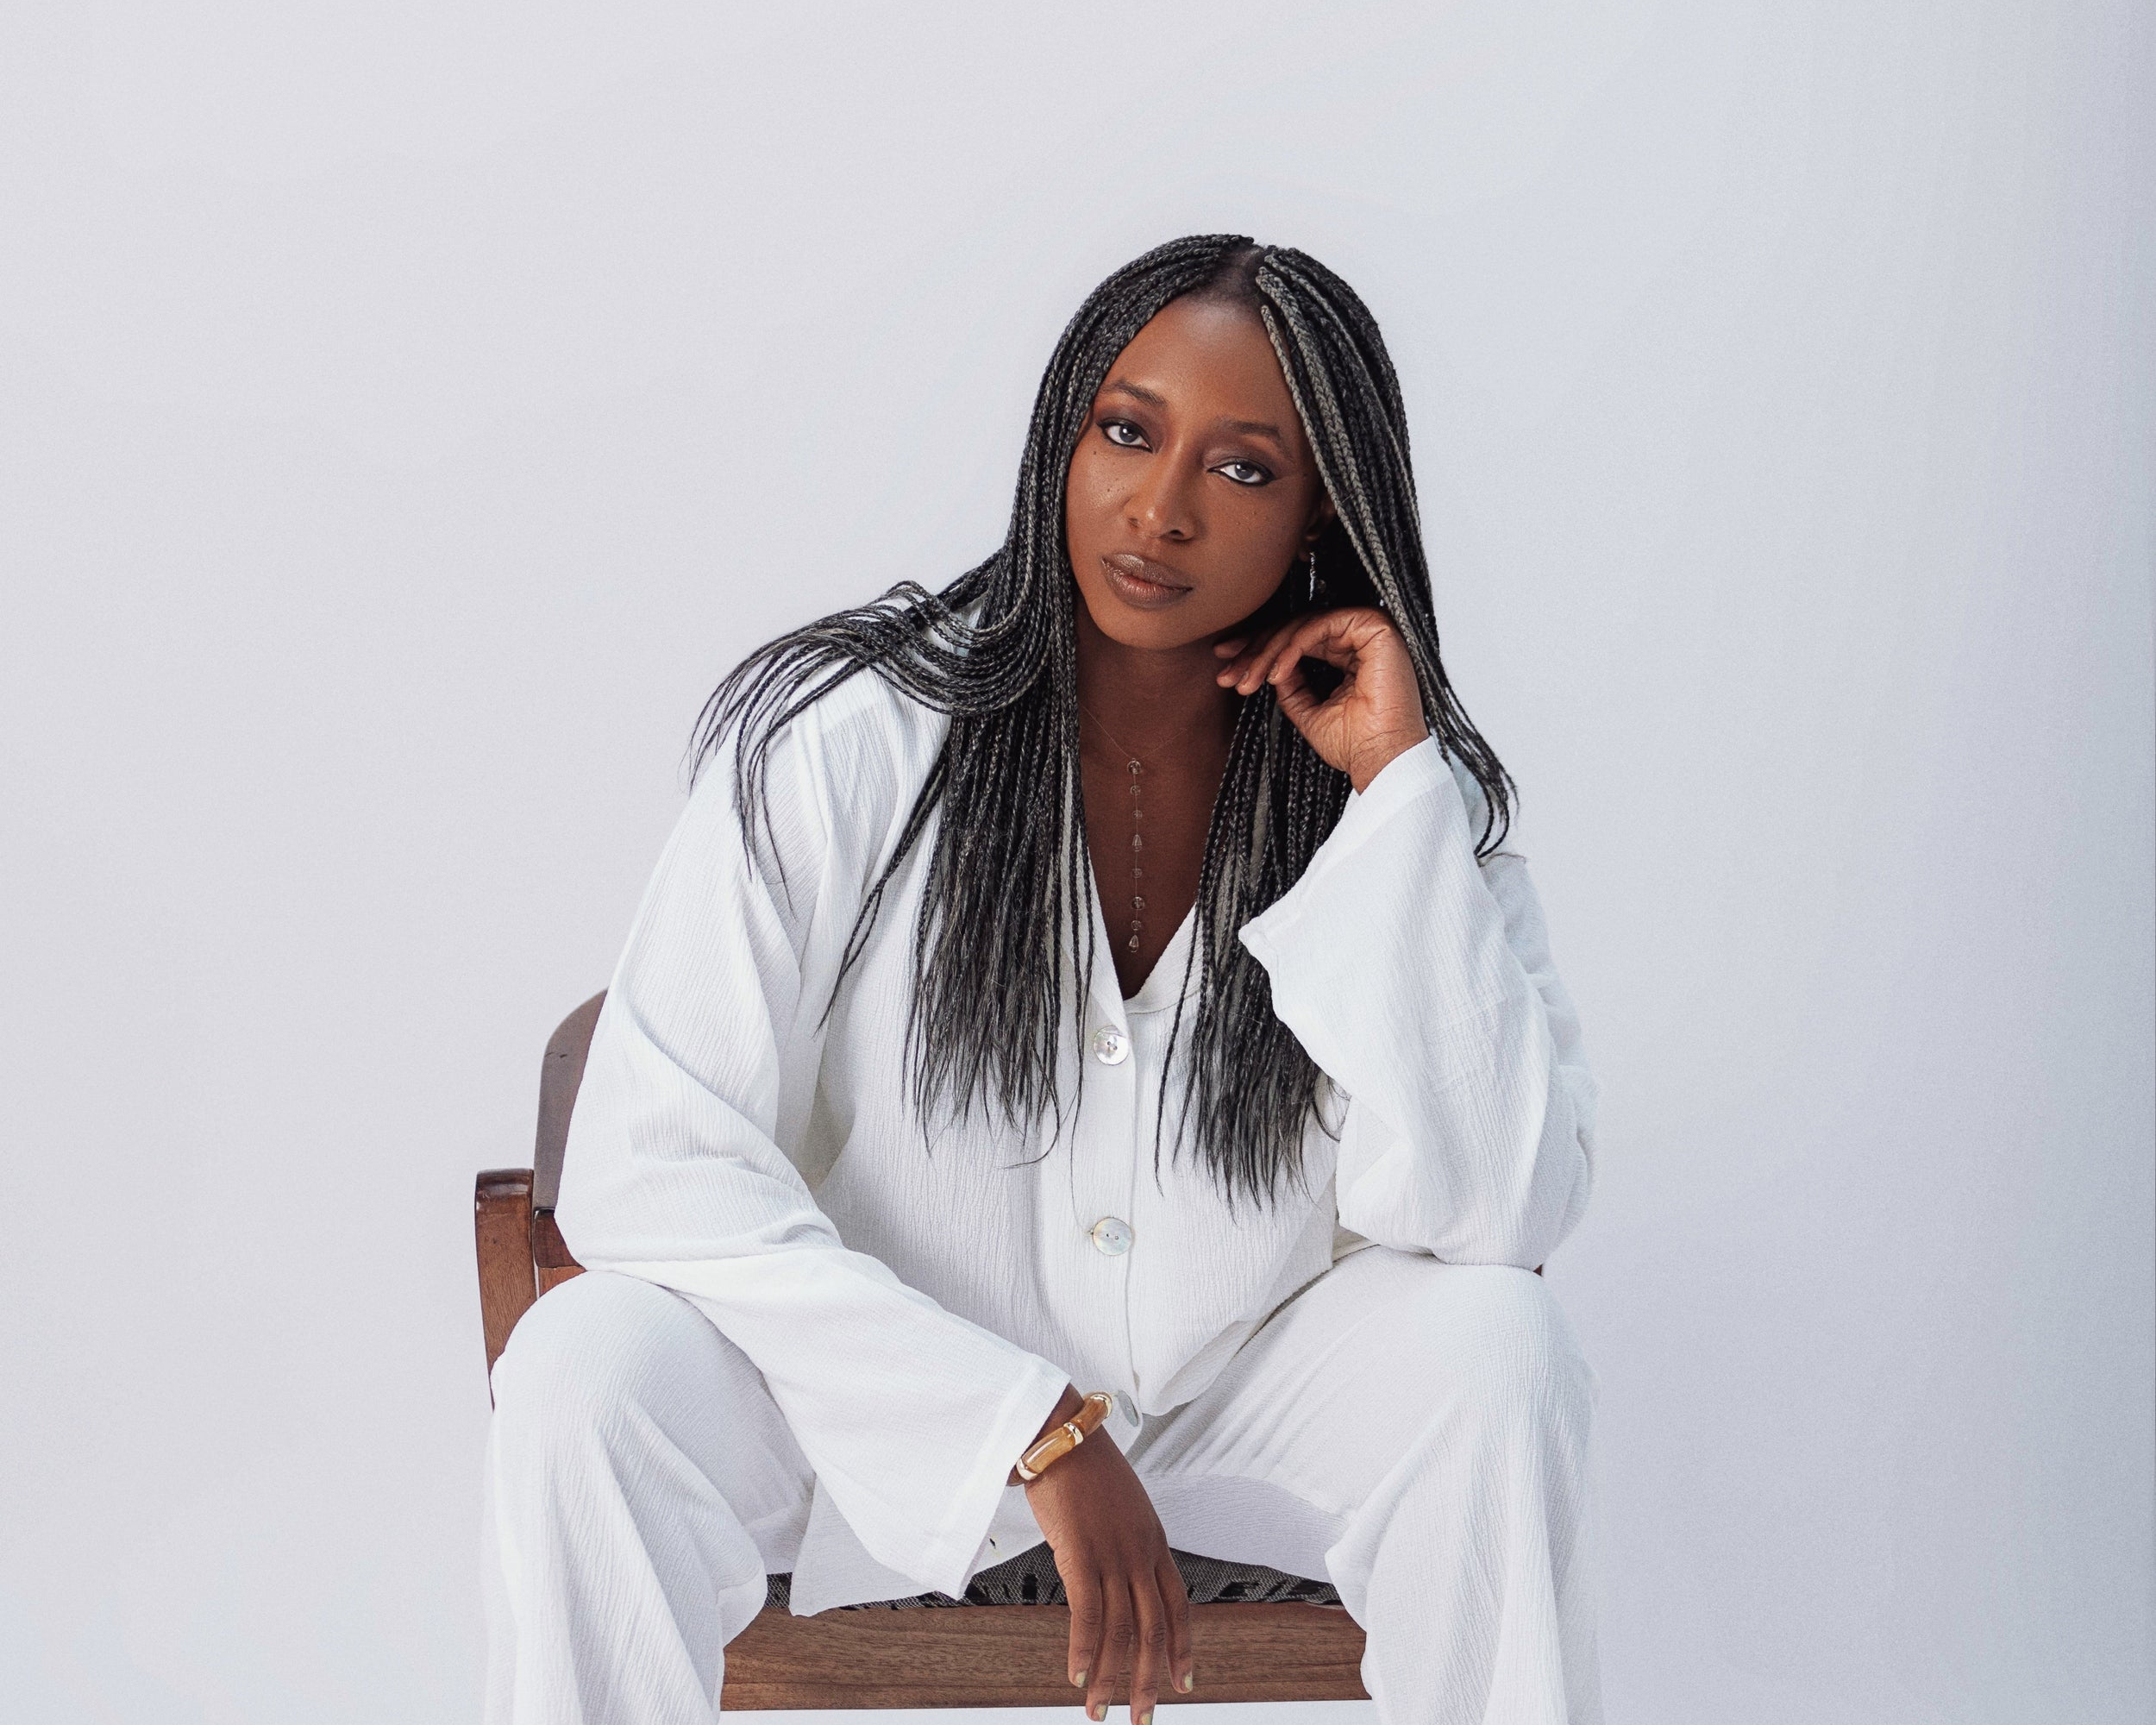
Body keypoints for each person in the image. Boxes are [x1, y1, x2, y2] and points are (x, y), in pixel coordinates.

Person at [481, 235, 1602, 1725]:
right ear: (1064, 435)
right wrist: (1026, 1427)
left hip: (1233, 1409)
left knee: (1501, 1349)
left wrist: (1397, 800)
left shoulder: (1397, 805)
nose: (1161, 507)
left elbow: (1499, 1212)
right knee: (586, 1365)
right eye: (1128, 432)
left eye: (1244, 468)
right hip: (869, 1411)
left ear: (1324, 508)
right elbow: (652, 1163)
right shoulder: (851, 744)